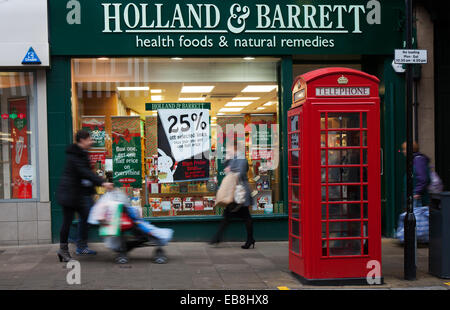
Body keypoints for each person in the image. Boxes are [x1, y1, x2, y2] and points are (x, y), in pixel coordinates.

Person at [56, 130, 114, 262]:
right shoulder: (74, 156)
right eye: (89, 139)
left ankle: (80, 244)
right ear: (82, 140)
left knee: (88, 216)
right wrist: (103, 183)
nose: (91, 141)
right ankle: (64, 249)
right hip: (69, 195)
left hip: (79, 195)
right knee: (67, 222)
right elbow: (84, 172)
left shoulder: (82, 153)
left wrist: (92, 190)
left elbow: (87, 174)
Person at [210, 142, 255, 249]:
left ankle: (249, 239)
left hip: (240, 192)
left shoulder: (242, 159)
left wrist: (231, 170)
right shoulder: (234, 157)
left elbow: (241, 173)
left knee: (243, 216)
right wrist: (227, 160)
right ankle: (217, 238)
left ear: (235, 148)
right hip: (233, 192)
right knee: (230, 215)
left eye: (229, 148)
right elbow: (226, 167)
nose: (228, 150)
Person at [401, 141, 431, 207]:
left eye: (404, 149)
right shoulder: (415, 160)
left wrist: (417, 192)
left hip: (417, 196)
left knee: (417, 215)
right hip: (414, 195)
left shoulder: (418, 160)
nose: (403, 151)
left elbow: (423, 178)